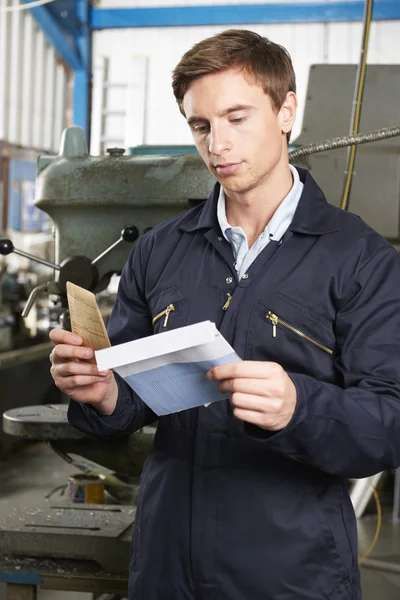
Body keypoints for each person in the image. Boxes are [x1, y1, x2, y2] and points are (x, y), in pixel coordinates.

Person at [49, 29, 400, 600]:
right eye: (201, 125)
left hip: (290, 573)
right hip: (167, 565)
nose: (218, 145)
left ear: (286, 111)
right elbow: (131, 399)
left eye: (238, 118)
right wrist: (103, 393)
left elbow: (390, 421)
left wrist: (298, 407)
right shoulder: (160, 251)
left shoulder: (359, 259)